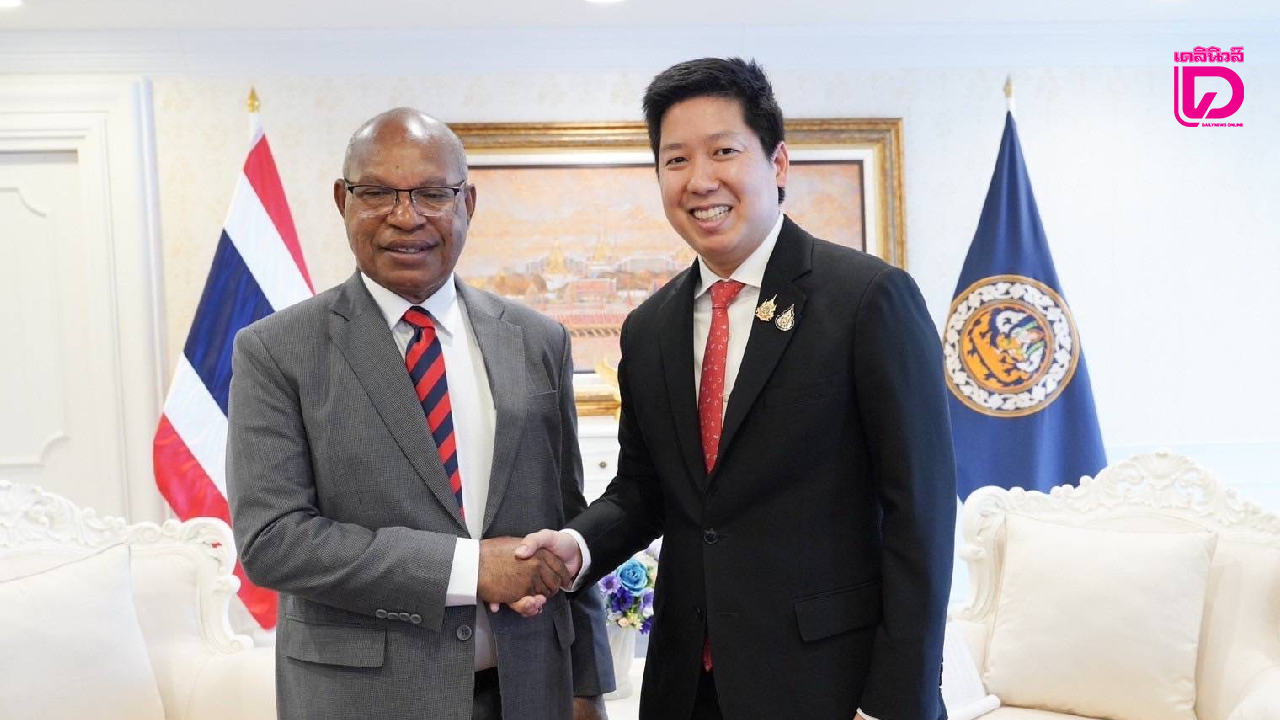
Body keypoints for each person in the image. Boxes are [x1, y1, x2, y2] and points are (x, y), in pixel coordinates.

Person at [516, 58, 957, 719]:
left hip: (831, 685)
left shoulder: (867, 299)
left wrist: (897, 703)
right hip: (685, 688)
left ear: (777, 163)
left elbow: (921, 515)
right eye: (675, 160)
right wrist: (576, 547)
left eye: (723, 151)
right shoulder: (649, 328)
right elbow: (643, 492)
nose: (700, 180)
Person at [226, 107, 612, 720]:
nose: (406, 217)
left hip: (532, 692)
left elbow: (568, 520)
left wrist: (587, 689)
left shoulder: (538, 340)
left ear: (468, 203)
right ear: (342, 200)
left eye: (433, 194)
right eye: (377, 193)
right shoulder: (276, 351)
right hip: (365, 702)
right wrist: (471, 570)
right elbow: (274, 542)